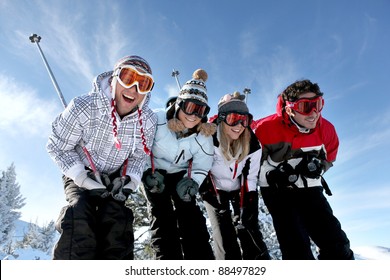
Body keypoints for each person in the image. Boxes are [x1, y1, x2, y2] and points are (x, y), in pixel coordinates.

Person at [46, 55, 157, 260]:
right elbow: (57, 146)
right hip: (80, 169)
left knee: (117, 219)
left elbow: (139, 156)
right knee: (80, 214)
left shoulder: (148, 120)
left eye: (143, 83)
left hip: (116, 177)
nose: (133, 89)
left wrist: (128, 181)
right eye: (128, 77)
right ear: (114, 78)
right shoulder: (85, 106)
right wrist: (82, 177)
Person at [253, 79, 354, 260]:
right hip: (278, 192)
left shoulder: (327, 130)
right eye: (305, 106)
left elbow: (329, 157)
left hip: (310, 189)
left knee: (337, 245)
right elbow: (249, 158)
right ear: (290, 108)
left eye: (317, 105)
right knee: (297, 248)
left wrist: (316, 167)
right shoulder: (265, 128)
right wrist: (274, 174)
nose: (314, 113)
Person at [142, 69, 216, 260]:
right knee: (162, 215)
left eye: (200, 110)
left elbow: (202, 164)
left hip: (181, 176)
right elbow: (139, 149)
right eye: (190, 107)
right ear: (179, 104)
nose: (193, 116)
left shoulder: (203, 136)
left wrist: (193, 181)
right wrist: (145, 173)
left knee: (190, 214)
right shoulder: (156, 120)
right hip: (154, 173)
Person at [199, 91, 270, 260]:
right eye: (233, 119)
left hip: (240, 189)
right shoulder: (209, 139)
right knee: (223, 231)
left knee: (248, 227)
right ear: (222, 118)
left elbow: (251, 177)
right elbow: (201, 168)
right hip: (215, 189)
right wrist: (211, 196)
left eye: (243, 120)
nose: (239, 125)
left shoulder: (252, 145)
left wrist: (248, 204)